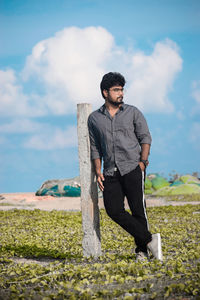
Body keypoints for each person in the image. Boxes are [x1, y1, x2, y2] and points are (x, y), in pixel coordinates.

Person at [88, 72, 162, 261]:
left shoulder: (133, 112)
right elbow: (95, 146)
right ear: (105, 92)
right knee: (113, 210)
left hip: (132, 168)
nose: (121, 93)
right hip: (110, 171)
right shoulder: (94, 118)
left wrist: (143, 163)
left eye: (122, 89)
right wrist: (98, 170)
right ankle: (149, 239)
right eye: (116, 90)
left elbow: (145, 137)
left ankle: (142, 252)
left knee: (139, 210)